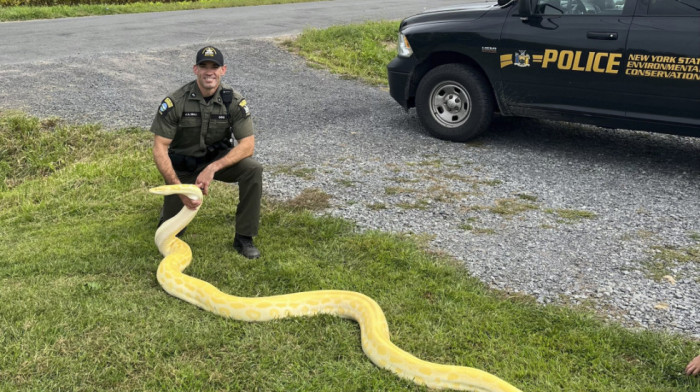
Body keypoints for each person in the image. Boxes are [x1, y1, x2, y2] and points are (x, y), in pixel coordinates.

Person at [150, 46, 262, 259]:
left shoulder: (234, 101)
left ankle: (244, 238)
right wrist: (178, 188)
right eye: (204, 66)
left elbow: (248, 145)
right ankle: (171, 209)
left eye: (215, 66)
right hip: (183, 166)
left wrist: (212, 168)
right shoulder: (176, 102)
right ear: (195, 69)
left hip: (216, 161)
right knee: (170, 233)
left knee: (253, 170)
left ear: (223, 70)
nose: (209, 71)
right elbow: (160, 148)